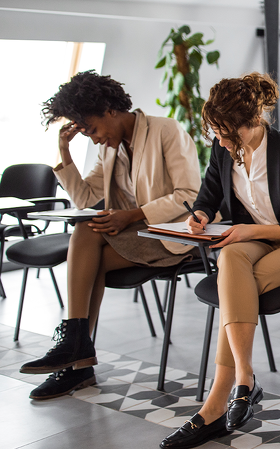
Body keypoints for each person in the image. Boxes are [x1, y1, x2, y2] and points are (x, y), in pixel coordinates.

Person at [160, 73, 280, 449]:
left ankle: (214, 406)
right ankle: (245, 377)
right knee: (233, 258)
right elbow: (208, 194)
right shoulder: (222, 148)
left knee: (236, 279)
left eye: (227, 134)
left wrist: (249, 232)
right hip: (256, 240)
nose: (221, 142)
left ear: (254, 121)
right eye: (216, 134)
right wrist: (201, 215)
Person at [20, 70, 201, 399]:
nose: (93, 138)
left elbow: (188, 194)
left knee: (89, 244)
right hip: (137, 233)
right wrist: (64, 151)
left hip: (174, 233)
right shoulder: (110, 147)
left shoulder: (166, 130)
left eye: (92, 129)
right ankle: (77, 351)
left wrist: (130, 215)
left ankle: (76, 356)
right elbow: (87, 200)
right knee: (88, 231)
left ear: (110, 110)